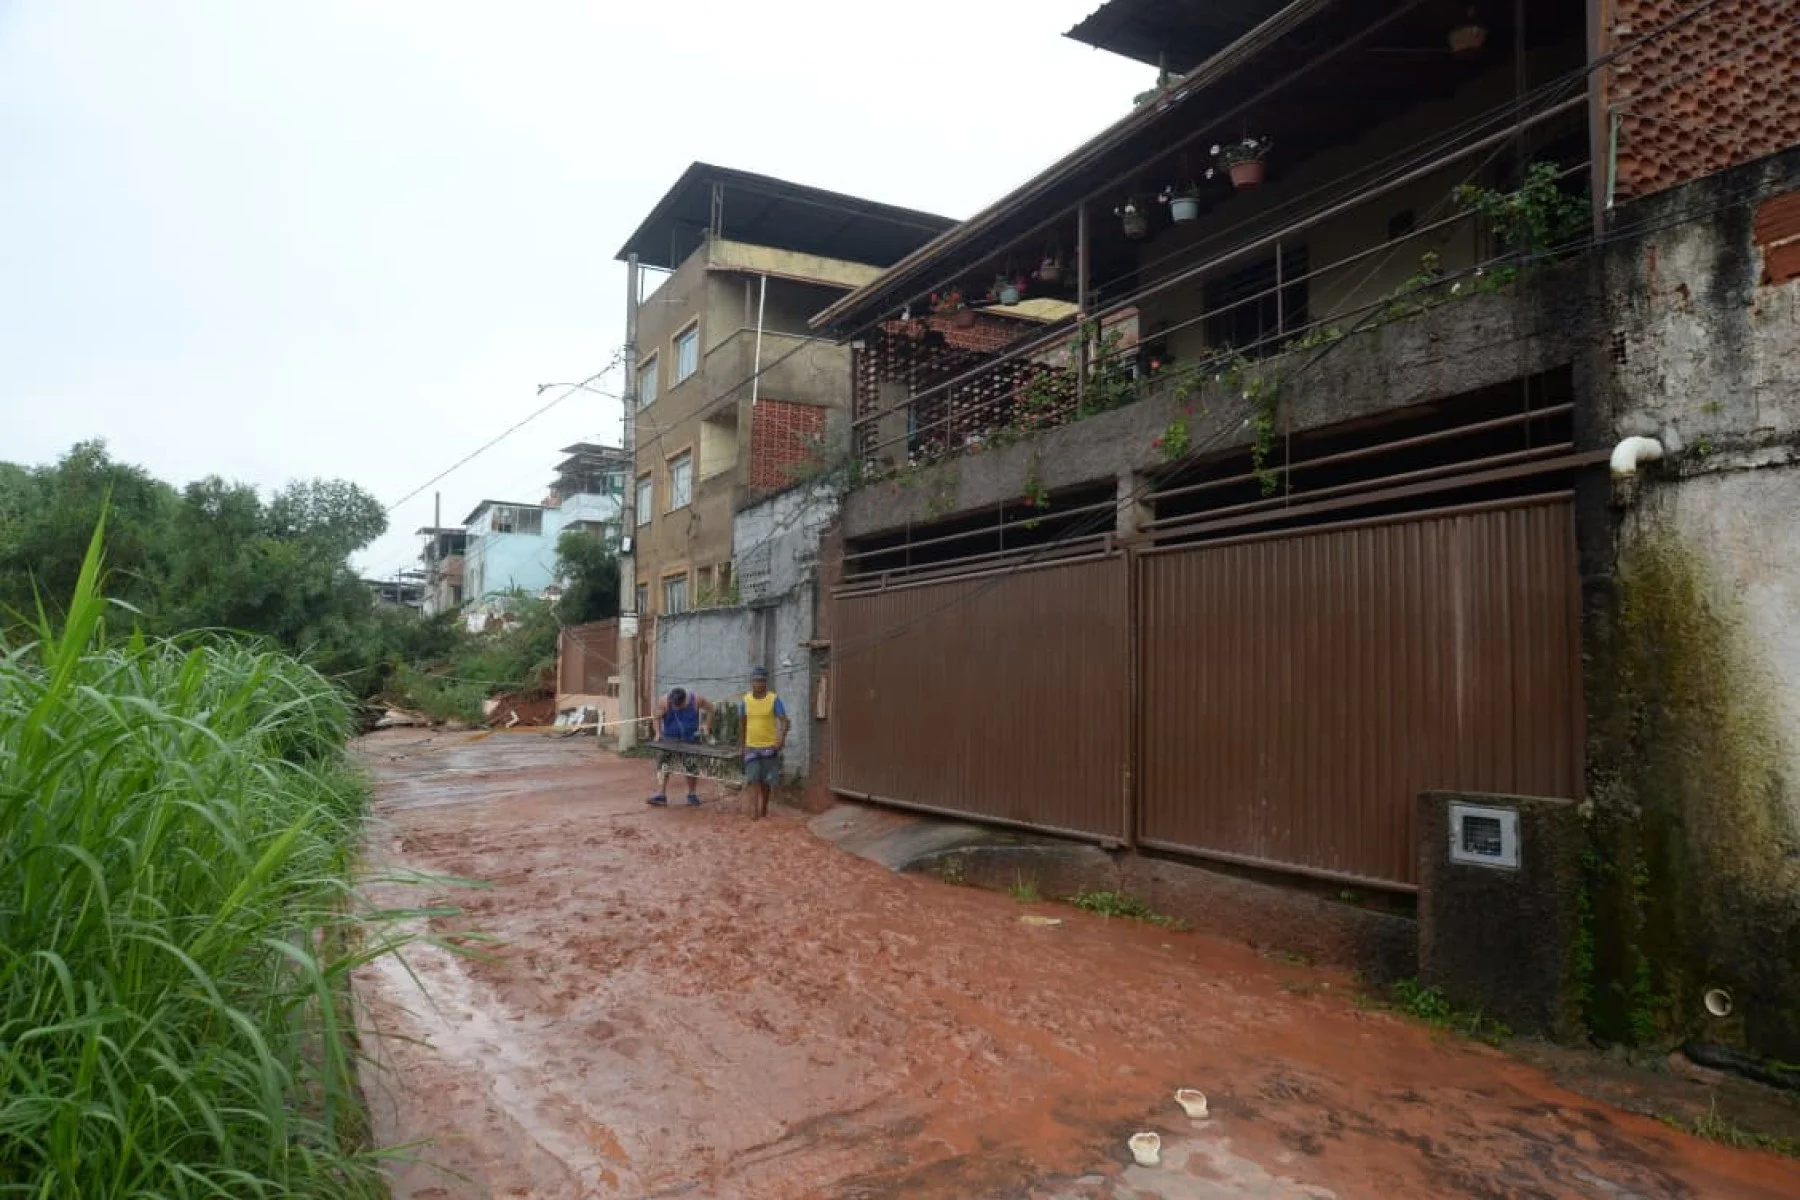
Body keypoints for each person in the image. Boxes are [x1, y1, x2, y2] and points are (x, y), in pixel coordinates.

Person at [739, 666, 790, 820]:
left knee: (766, 781)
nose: (759, 684)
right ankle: (754, 810)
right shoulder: (745, 700)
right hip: (751, 746)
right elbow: (742, 723)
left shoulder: (773, 699)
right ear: (752, 682)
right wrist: (742, 745)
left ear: (766, 682)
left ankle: (764, 806)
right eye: (756, 680)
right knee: (753, 779)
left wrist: (781, 738)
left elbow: (784, 721)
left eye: (762, 681)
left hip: (769, 746)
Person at [649, 686, 712, 807]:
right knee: (663, 764)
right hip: (670, 739)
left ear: (684, 701)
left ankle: (692, 794)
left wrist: (706, 726)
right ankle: (661, 794)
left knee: (691, 766)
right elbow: (656, 717)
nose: (675, 707)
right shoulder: (664, 702)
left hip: (690, 739)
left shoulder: (696, 700)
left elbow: (711, 709)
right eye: (673, 705)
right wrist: (658, 733)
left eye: (678, 705)